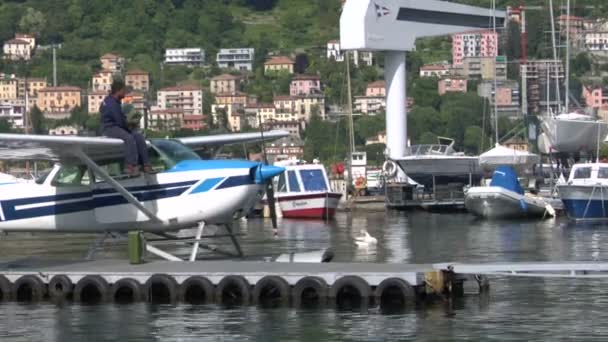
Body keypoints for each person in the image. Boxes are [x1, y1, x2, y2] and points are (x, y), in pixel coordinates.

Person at [100, 79, 152, 176]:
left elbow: (120, 120)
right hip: (110, 128)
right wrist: (129, 127)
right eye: (124, 90)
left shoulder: (115, 102)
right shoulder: (111, 103)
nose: (125, 93)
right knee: (129, 138)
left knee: (139, 137)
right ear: (118, 91)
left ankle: (146, 165)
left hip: (117, 127)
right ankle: (130, 166)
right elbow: (119, 121)